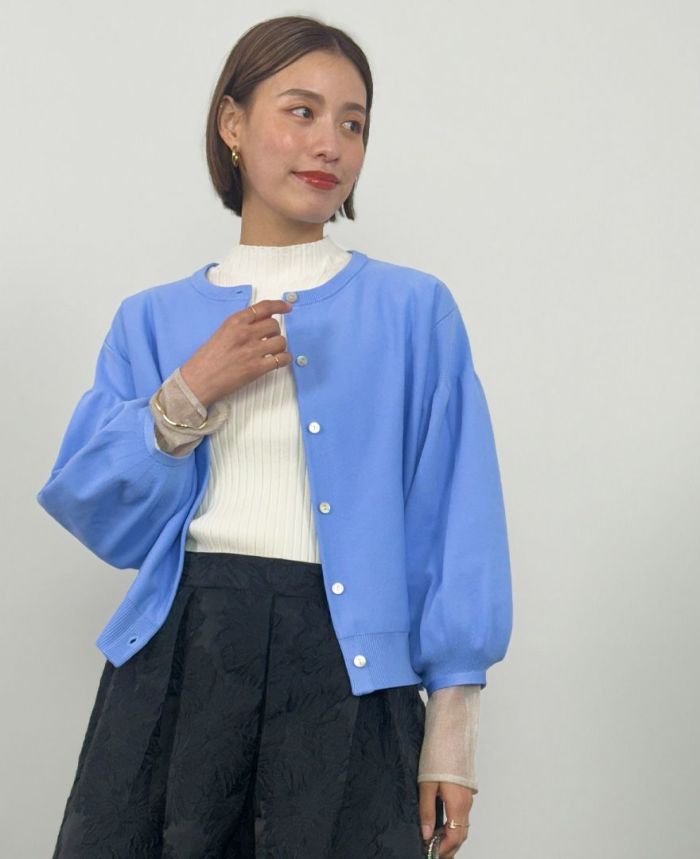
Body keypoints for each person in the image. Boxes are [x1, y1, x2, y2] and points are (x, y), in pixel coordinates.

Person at [37, 14, 513, 859]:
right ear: (232, 123)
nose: (330, 143)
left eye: (353, 123)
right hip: (180, 663)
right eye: (301, 111)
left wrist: (453, 734)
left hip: (348, 677)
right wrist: (186, 395)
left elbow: (456, 522)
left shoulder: (414, 312)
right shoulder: (151, 319)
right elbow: (97, 513)